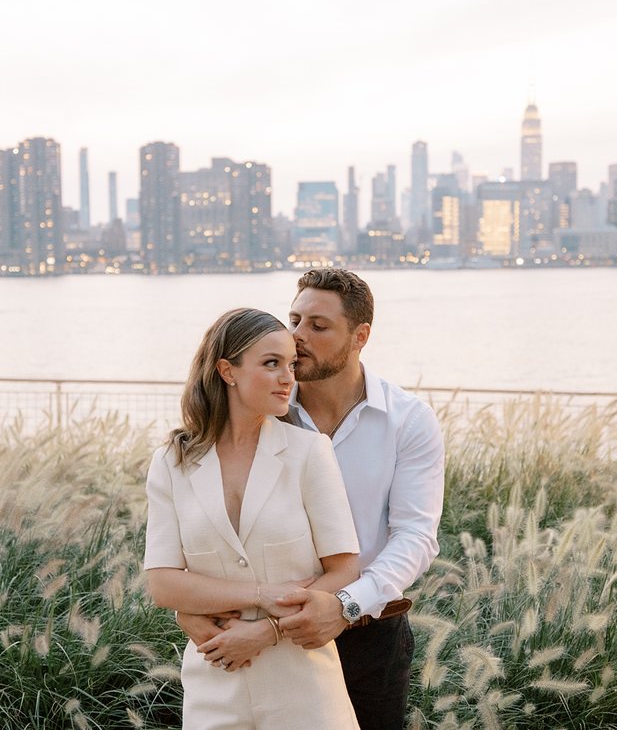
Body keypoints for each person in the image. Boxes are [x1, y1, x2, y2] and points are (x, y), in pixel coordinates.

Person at [176, 271, 447, 730]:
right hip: (259, 636)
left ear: (360, 336)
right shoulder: (259, 409)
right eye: (295, 319)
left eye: (318, 326)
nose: (297, 337)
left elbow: (416, 537)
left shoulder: (408, 421)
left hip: (369, 638)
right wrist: (192, 605)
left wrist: (345, 604)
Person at [143, 307, 362, 729]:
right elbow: (164, 584)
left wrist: (268, 630)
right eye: (271, 364)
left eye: (291, 365)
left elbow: (345, 569)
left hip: (304, 690)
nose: (288, 378)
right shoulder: (172, 462)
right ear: (228, 371)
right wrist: (261, 595)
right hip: (215, 682)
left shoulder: (309, 452)